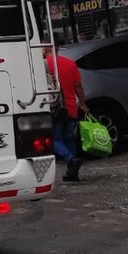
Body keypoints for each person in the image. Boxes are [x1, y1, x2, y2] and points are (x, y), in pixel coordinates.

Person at [45, 44, 90, 182]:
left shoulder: (43, 64)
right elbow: (78, 86)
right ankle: (73, 173)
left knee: (54, 139)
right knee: (69, 138)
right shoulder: (70, 63)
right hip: (71, 107)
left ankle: (71, 159)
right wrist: (83, 104)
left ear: (43, 49)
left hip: (54, 108)